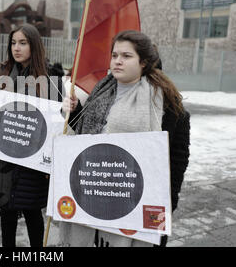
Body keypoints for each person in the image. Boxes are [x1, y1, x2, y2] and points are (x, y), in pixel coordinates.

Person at [61, 30, 190, 247]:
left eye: (126, 56)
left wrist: (167, 204)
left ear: (144, 63)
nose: (118, 61)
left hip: (137, 205)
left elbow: (177, 161)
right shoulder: (100, 92)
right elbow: (89, 140)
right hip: (95, 196)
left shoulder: (166, 107)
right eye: (114, 55)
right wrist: (75, 113)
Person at [0, 24, 64, 247]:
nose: (16, 48)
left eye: (23, 43)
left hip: (32, 159)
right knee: (6, 212)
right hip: (5, 156)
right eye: (13, 43)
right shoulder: (4, 71)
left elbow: (54, 120)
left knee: (32, 212)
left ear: (33, 45)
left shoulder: (49, 75)